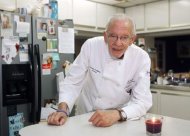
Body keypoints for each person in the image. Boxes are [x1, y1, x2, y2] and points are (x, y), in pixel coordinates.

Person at [47, 13, 152, 127]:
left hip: (118, 119)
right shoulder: (91, 46)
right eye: (112, 36)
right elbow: (72, 82)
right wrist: (62, 110)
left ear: (132, 39)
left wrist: (117, 114)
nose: (118, 43)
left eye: (124, 37)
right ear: (105, 36)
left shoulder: (141, 58)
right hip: (86, 118)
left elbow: (142, 101)